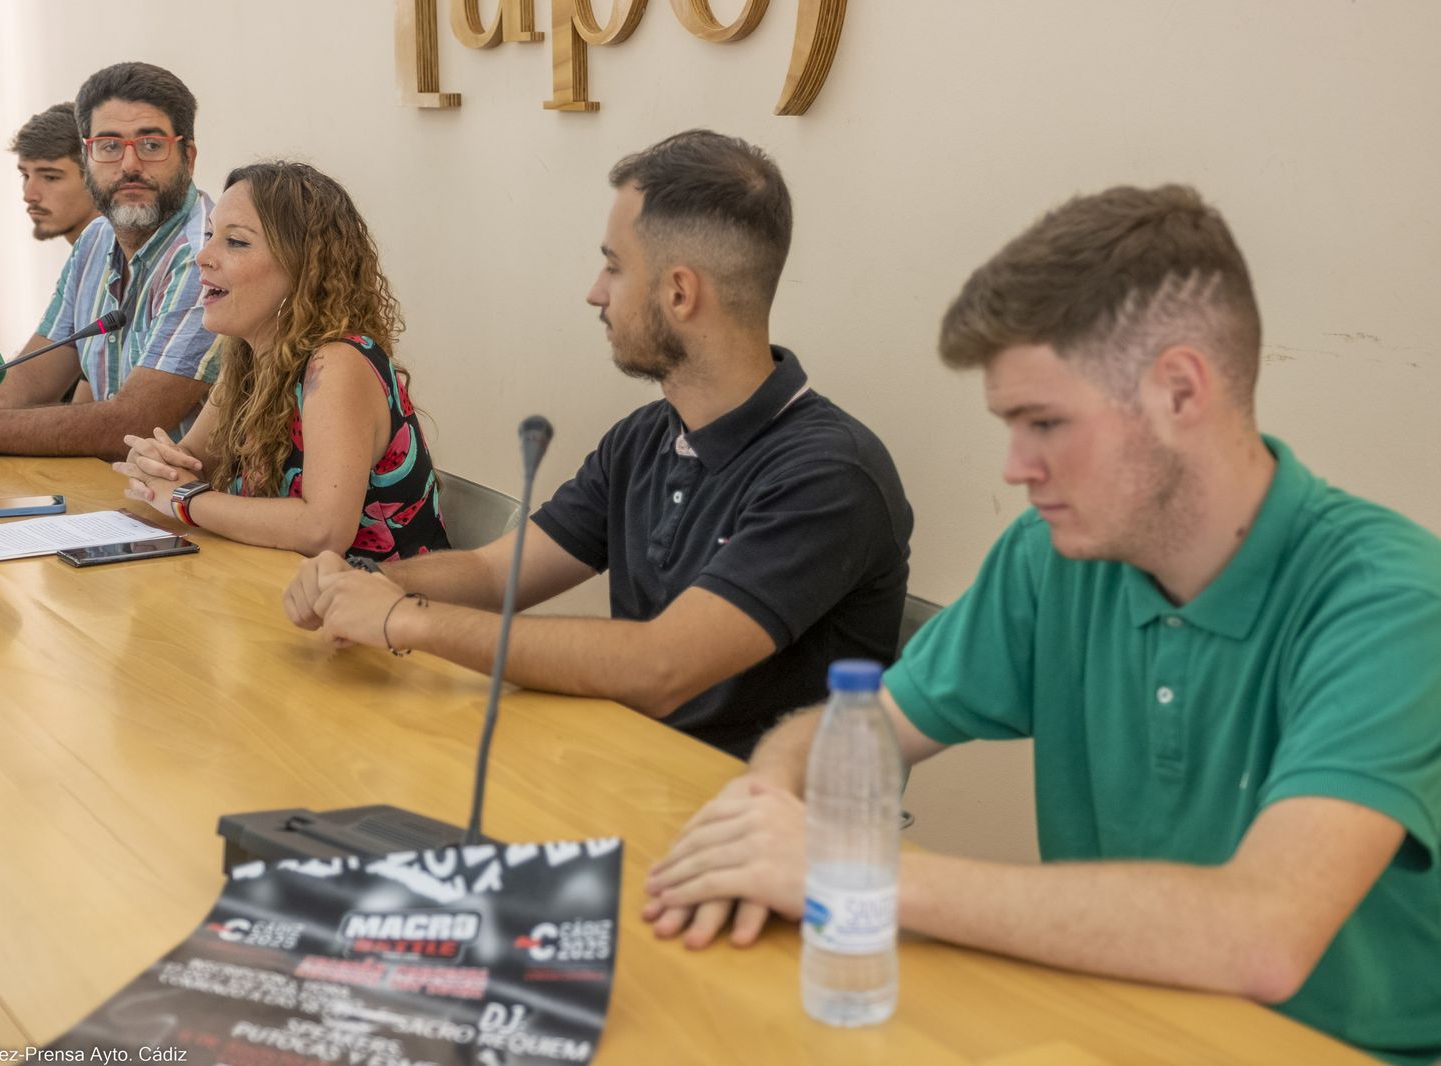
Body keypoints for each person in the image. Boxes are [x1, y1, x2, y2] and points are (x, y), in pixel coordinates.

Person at [643, 185, 1441, 1064]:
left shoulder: (1392, 601)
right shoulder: (1051, 555)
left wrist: (854, 876)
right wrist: (767, 800)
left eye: (1046, 423)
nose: (1017, 468)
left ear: (1181, 390)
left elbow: (1262, 934)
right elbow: (862, 728)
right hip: (1104, 1031)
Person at [283, 130, 912, 759]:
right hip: (624, 772)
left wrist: (405, 619)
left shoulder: (829, 474)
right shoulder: (646, 437)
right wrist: (363, 581)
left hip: (755, 824)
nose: (595, 291)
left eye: (614, 266)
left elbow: (661, 667)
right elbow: (493, 572)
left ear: (680, 292)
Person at [0, 62, 219, 461]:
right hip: (115, 494)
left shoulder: (205, 256)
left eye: (151, 145)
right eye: (108, 146)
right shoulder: (96, 239)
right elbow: (33, 378)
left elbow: (135, 424)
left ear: (188, 158)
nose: (129, 166)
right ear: (88, 160)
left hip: (189, 507)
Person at [113, 161, 447, 563]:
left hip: (382, 611)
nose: (202, 256)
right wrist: (154, 466)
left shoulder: (339, 363)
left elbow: (323, 529)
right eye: (209, 236)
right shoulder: (248, 356)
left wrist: (185, 499)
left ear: (302, 267)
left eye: (235, 242)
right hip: (277, 593)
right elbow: (191, 466)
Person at [10, 102, 98, 245]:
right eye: (25, 175)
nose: (29, 196)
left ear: (97, 181)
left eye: (50, 178)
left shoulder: (132, 264)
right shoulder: (81, 264)